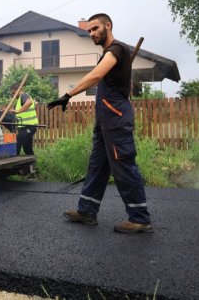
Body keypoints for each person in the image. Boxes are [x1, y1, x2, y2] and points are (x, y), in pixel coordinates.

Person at [46, 13, 152, 234]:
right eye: (89, 31)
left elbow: (96, 76)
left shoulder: (117, 50)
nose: (92, 33)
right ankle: (87, 211)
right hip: (104, 119)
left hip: (115, 118)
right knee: (97, 165)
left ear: (108, 26)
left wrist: (68, 94)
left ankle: (140, 218)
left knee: (123, 164)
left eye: (95, 28)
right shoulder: (107, 54)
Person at [9, 83, 39, 156]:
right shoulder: (20, 100)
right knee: (27, 148)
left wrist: (17, 111)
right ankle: (32, 165)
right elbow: (21, 114)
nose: (13, 95)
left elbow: (29, 102)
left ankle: (14, 163)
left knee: (17, 143)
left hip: (29, 127)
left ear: (19, 90)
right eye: (12, 94)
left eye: (13, 93)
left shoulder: (24, 95)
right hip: (25, 127)